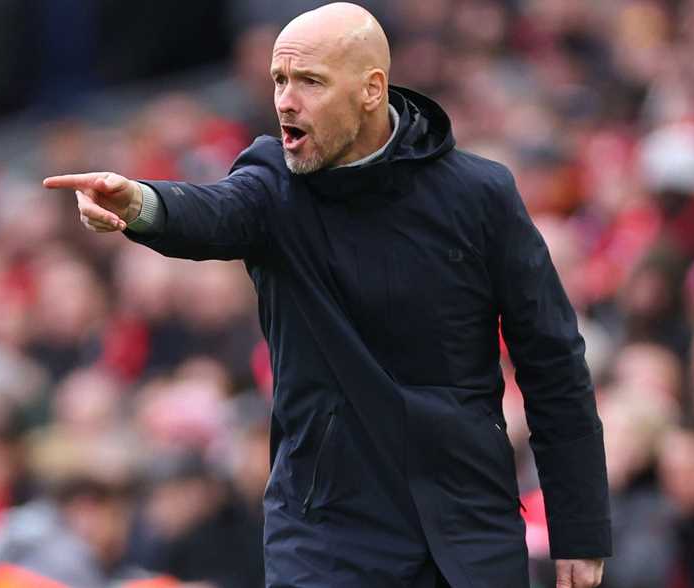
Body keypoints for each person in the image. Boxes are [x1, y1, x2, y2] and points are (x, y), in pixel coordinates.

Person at [43, 3, 611, 587]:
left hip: (467, 531)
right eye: (279, 80)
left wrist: (581, 529)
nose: (286, 100)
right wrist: (142, 204)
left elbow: (554, 365)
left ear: (371, 90)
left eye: (310, 82)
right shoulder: (272, 184)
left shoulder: (480, 195)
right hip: (327, 538)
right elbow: (213, 212)